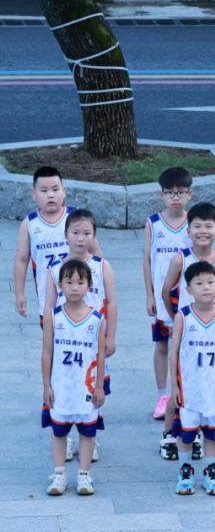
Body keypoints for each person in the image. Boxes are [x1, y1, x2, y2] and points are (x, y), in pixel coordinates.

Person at [157, 202, 215, 462]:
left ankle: (197, 436)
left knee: (206, 388)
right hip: (188, 329)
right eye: (197, 226)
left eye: (208, 226)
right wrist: (174, 320)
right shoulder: (180, 258)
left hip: (212, 332)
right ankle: (169, 435)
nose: (203, 231)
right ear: (188, 230)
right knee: (180, 389)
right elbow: (166, 290)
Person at [43, 209, 116, 465]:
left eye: (87, 233)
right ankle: (66, 438)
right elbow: (48, 306)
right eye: (75, 232)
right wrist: (50, 338)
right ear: (65, 235)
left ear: (94, 236)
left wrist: (110, 335)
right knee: (63, 386)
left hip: (92, 339)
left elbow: (112, 302)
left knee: (94, 385)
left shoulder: (102, 266)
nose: (81, 238)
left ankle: (90, 436)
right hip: (65, 338)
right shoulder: (55, 268)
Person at [41, 259, 106, 496]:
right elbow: (47, 353)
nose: (75, 287)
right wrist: (46, 385)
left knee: (88, 430)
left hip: (86, 386)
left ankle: (84, 475)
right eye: (69, 282)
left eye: (80, 282)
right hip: (61, 385)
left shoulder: (96, 319)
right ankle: (59, 474)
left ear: (89, 285)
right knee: (59, 430)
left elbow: (100, 356)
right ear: (60, 285)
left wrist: (99, 386)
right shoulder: (53, 316)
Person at [169, 261, 215, 495]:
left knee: (212, 430)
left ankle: (210, 470)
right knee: (186, 431)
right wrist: (175, 385)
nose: (206, 287)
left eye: (210, 282)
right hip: (190, 386)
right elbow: (174, 352)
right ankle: (185, 470)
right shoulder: (183, 316)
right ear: (188, 290)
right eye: (199, 283)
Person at [144, 167, 192, 420]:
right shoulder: (153, 223)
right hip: (162, 299)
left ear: (189, 194)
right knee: (162, 344)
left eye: (181, 192)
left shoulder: (194, 222)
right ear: (161, 195)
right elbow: (147, 261)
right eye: (170, 192)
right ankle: (163, 396)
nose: (176, 197)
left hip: (190, 296)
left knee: (188, 345)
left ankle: (186, 393)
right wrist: (150, 295)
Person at [13, 166, 85, 322]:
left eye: (55, 189)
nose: (50, 195)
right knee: (50, 337)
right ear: (34, 194)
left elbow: (94, 251)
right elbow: (21, 259)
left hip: (81, 294)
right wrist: (19, 293)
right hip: (47, 298)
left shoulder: (76, 217)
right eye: (44, 191)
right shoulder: (29, 224)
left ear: (63, 191)